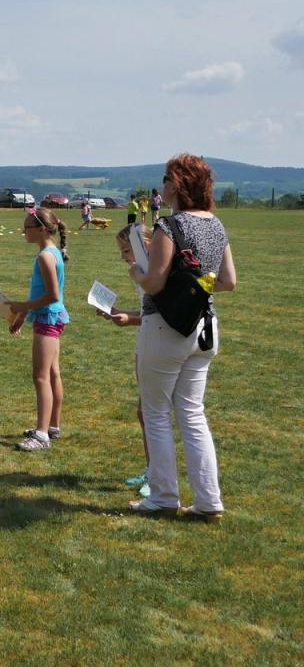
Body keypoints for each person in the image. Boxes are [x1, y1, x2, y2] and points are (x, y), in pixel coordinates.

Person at [126, 154, 235, 520]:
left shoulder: (168, 225)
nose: (162, 184)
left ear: (178, 184)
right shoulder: (216, 224)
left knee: (156, 413)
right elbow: (228, 281)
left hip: (165, 328)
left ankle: (163, 497)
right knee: (192, 413)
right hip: (204, 328)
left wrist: (136, 272)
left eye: (166, 177)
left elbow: (154, 283)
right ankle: (208, 501)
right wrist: (195, 287)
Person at [4, 206, 69, 451]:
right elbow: (43, 293)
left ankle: (41, 436)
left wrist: (22, 307)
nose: (24, 232)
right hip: (52, 317)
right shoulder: (52, 252)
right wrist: (22, 316)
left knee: (41, 377)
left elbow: (52, 295)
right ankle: (52, 427)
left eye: (27, 228)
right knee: (52, 374)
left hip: (48, 319)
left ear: (41, 229)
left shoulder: (45, 256)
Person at [97, 225, 152, 500]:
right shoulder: (142, 271)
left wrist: (130, 319)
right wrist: (119, 312)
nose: (123, 257)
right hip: (146, 342)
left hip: (157, 344)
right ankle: (152, 469)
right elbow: (147, 311)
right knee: (144, 413)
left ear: (145, 245)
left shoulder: (154, 273)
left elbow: (163, 315)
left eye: (127, 250)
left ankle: (158, 475)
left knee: (151, 413)